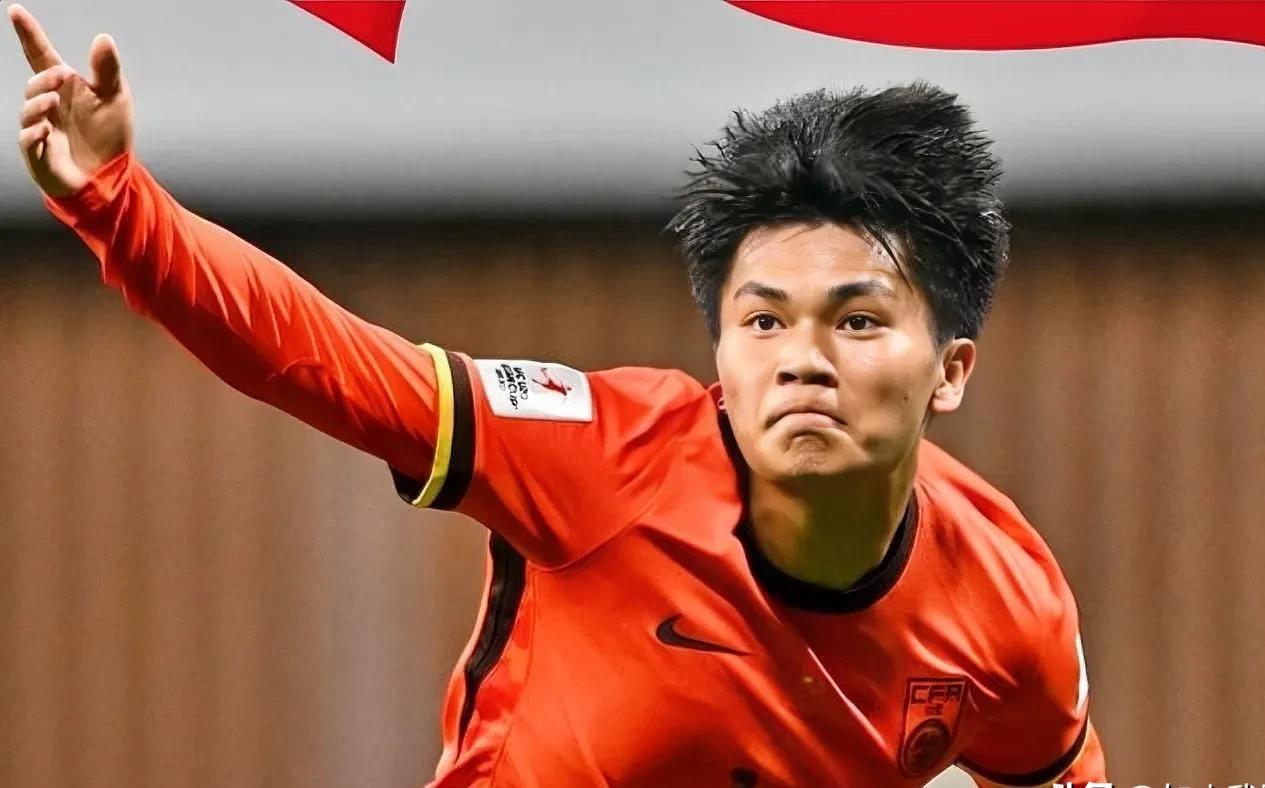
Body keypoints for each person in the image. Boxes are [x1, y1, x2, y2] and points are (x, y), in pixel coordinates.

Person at [10, 4, 1107, 786]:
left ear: (949, 369)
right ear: (719, 351)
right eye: (763, 321)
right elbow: (318, 356)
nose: (801, 359)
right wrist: (116, 204)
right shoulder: (604, 457)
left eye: (856, 322)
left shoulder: (1011, 609)